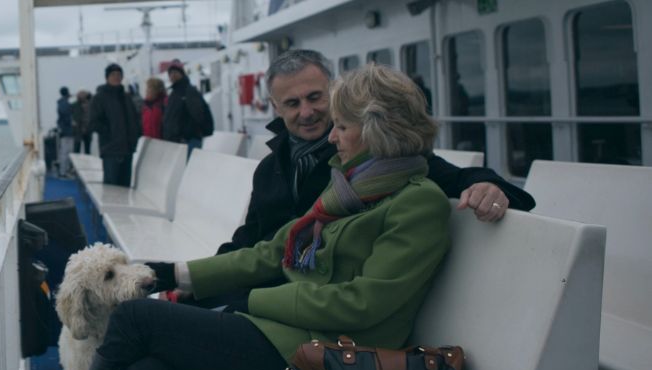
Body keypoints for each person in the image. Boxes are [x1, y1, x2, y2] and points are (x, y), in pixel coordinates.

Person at [81, 64, 452, 370]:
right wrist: (175, 273)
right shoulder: (349, 188)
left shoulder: (417, 204)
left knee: (136, 317)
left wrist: (254, 300)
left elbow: (362, 303)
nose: (333, 137)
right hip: (277, 333)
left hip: (324, 357)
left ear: (376, 129)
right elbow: (272, 250)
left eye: (341, 126)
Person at [216, 49, 535, 255]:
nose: (307, 111)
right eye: (292, 103)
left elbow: (448, 174)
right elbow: (248, 238)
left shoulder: (378, 158)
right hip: (259, 286)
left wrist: (487, 186)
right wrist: (195, 281)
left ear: (334, 92)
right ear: (276, 107)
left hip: (306, 307)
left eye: (315, 97)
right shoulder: (270, 168)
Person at [90, 64, 142, 187]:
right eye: (113, 74)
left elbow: (134, 119)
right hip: (111, 151)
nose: (116, 77)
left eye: (119, 75)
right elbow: (93, 122)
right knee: (111, 189)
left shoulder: (126, 97)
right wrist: (110, 134)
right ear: (107, 77)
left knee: (125, 188)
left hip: (128, 150)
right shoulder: (99, 98)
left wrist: (136, 135)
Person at [161, 59, 212, 155]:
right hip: (178, 141)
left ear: (182, 74)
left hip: (188, 140)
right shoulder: (174, 93)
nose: (172, 75)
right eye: (170, 73)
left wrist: (186, 132)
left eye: (175, 72)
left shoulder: (188, 91)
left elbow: (198, 115)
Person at [56, 86, 76, 177]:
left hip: (65, 130)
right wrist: (71, 122)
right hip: (67, 131)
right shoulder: (64, 103)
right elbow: (66, 115)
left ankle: (64, 171)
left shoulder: (62, 103)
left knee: (66, 152)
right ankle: (63, 172)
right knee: (65, 152)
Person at [72, 90, 93, 154]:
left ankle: (87, 161)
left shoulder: (91, 104)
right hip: (79, 128)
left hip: (87, 129)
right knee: (77, 148)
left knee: (87, 148)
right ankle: (75, 162)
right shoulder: (75, 105)